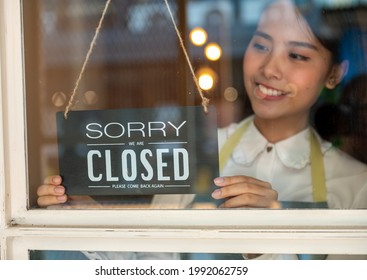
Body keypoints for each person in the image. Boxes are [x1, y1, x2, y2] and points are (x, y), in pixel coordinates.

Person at [37, 0, 367, 259]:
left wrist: (265, 243)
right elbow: (151, 266)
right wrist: (89, 221)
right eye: (261, 46)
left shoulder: (357, 187)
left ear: (334, 75)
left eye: (297, 55)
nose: (270, 69)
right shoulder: (193, 153)